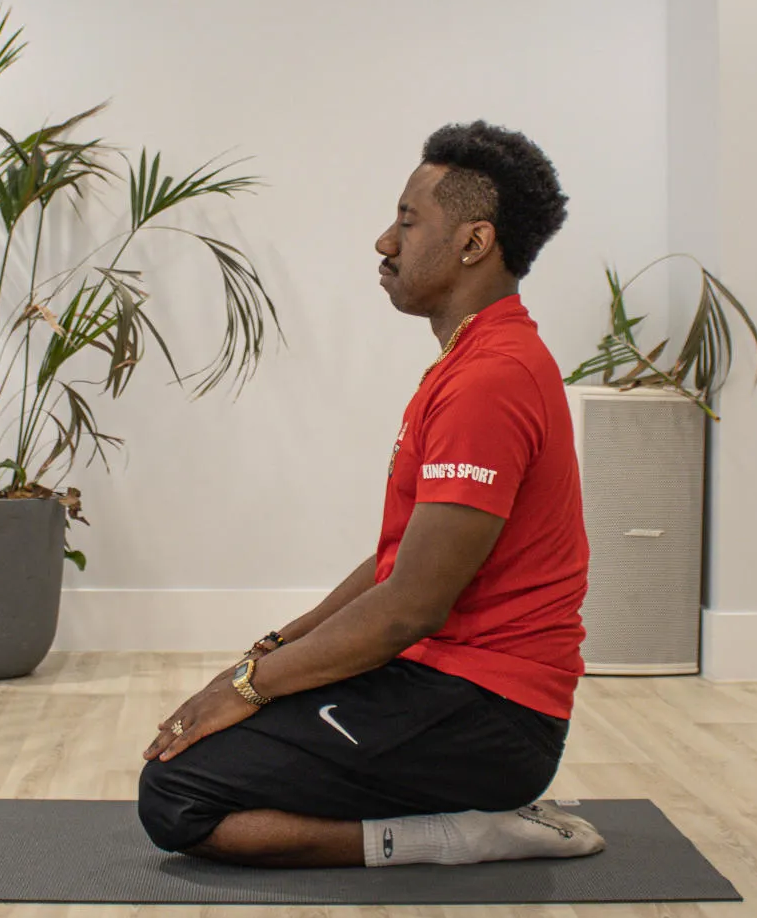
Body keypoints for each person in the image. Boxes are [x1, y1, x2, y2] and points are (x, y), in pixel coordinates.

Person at [136, 121, 600, 868]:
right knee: (220, 745)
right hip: (450, 686)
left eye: (409, 222)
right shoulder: (476, 360)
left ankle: (461, 833)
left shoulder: (491, 378)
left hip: (490, 715)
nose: (385, 242)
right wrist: (281, 645)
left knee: (177, 797)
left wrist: (248, 686)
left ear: (474, 243)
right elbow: (398, 563)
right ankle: (458, 811)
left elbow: (412, 606)